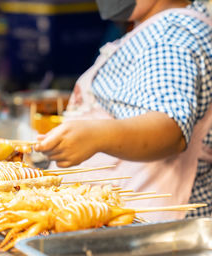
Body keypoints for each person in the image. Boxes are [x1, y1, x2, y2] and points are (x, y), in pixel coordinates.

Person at [35, 0, 212, 221]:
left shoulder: (170, 36)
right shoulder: (158, 30)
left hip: (145, 236)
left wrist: (96, 136)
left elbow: (170, 128)